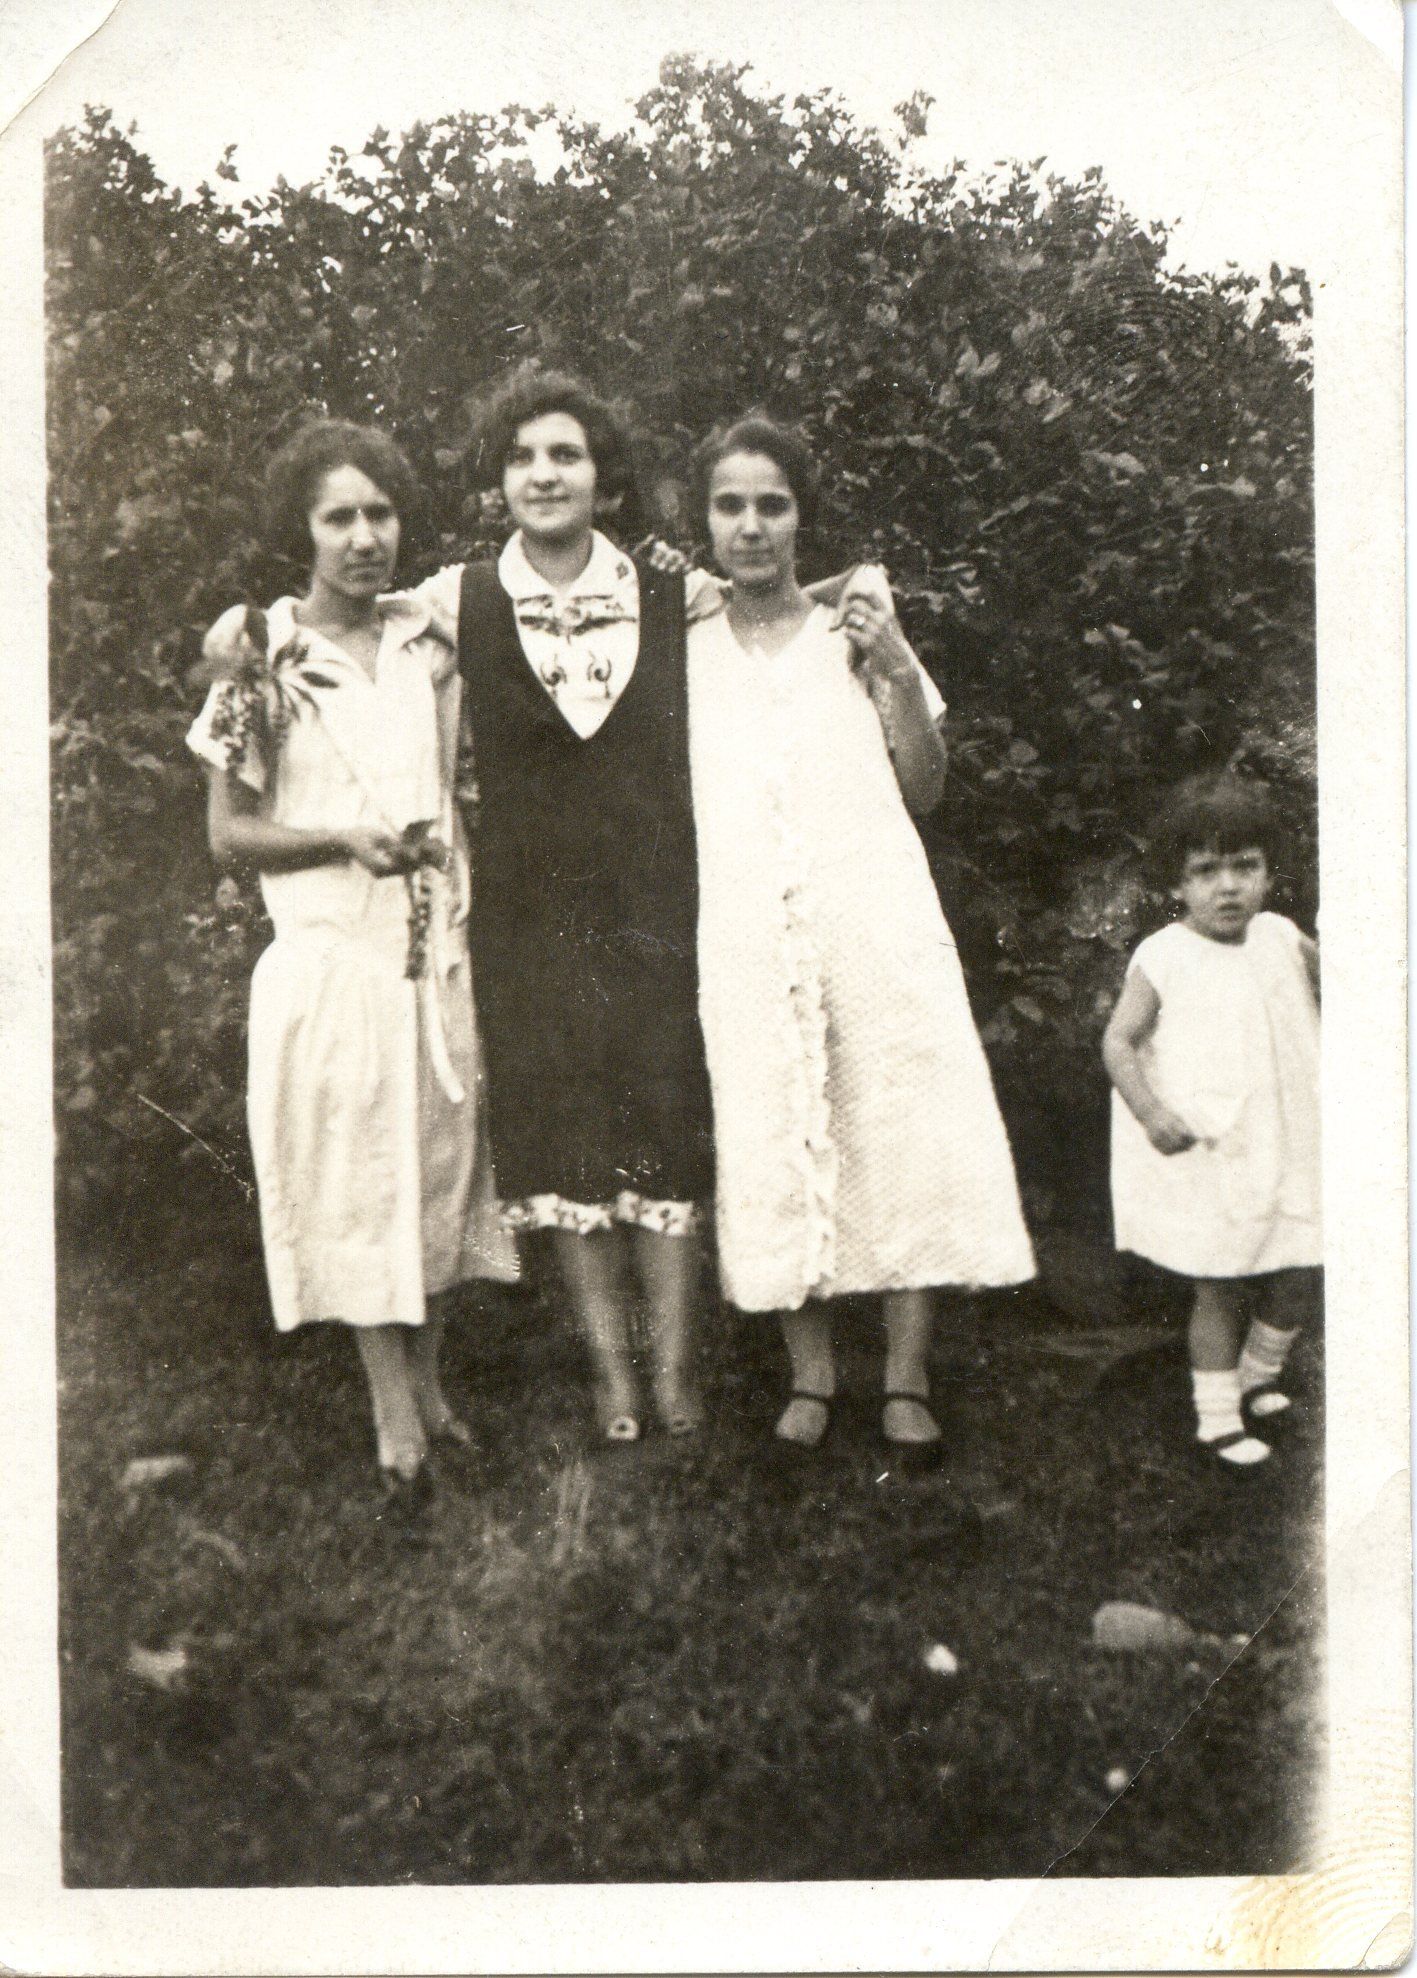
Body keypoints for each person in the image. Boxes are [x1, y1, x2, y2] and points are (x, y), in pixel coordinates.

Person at [683, 415, 1036, 1462]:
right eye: (730, 506)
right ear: (705, 520)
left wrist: (896, 671)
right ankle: (811, 1371)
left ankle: (906, 1373)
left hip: (872, 917)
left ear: (802, 516)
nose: (751, 526)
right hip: (750, 928)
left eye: (772, 504)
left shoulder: (857, 632)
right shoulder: (682, 648)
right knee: (777, 1124)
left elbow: (925, 787)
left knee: (898, 1126)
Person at [186, 420, 517, 1508]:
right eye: (340, 518)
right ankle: (391, 1409)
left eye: (381, 514)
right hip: (332, 959)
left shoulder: (428, 642)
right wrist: (340, 842)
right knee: (362, 1182)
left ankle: (430, 1385)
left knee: (437, 1176)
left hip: (431, 954)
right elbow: (228, 834)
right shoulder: (264, 666)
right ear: (304, 531)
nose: (365, 537)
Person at [1102, 773, 1322, 1467]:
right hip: (1212, 1145)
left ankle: (1259, 1374)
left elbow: (1348, 986)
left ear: (1268, 872)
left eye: (1244, 866)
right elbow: (1118, 1041)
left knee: (1300, 1264)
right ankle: (1217, 1415)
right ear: (1176, 882)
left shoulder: (1281, 938)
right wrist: (1150, 1111)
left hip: (1286, 1139)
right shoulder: (1164, 955)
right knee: (1218, 1282)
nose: (1227, 887)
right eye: (1205, 871)